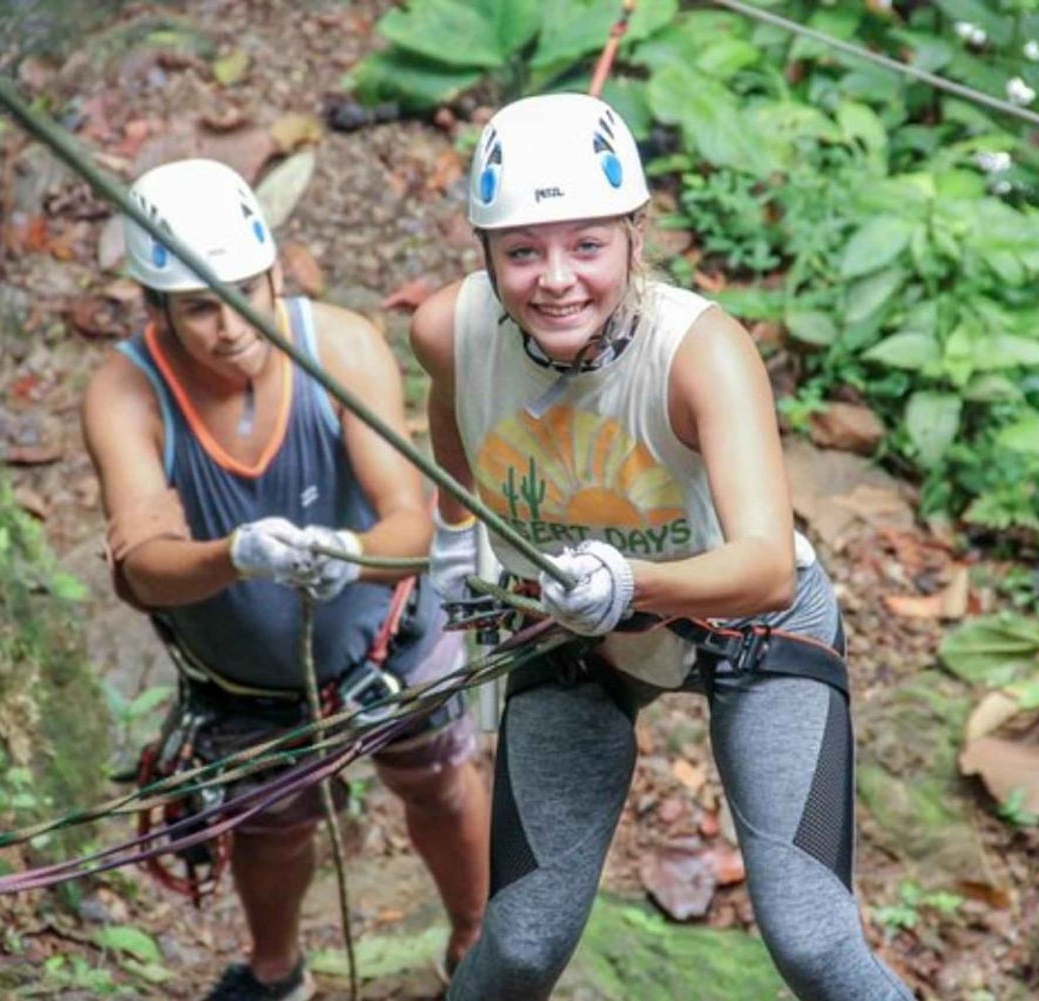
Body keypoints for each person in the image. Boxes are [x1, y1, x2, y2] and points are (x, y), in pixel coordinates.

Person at [411, 94, 915, 1001]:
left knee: (813, 941)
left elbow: (764, 566)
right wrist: (457, 547)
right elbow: (455, 434)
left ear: (636, 238)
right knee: (520, 945)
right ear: (484, 253)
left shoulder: (700, 354)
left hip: (747, 626)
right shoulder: (449, 332)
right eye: (522, 250)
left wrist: (629, 578)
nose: (556, 279)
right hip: (567, 628)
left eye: (588, 245)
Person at [81, 158, 489, 1001]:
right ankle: (276, 971)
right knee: (269, 829)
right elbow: (143, 571)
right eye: (200, 307)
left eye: (245, 292)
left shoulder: (339, 346)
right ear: (157, 312)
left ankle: (479, 945)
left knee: (442, 783)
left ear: (274, 273)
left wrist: (352, 553)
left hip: (388, 637)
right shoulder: (128, 394)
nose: (230, 325)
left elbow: (407, 524)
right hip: (243, 679)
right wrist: (236, 553)